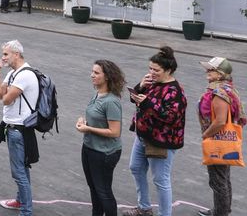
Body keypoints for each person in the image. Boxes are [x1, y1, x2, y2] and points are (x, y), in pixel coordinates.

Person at [124, 46, 187, 216]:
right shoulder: (152, 83)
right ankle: (144, 208)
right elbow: (136, 100)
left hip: (162, 142)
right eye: (150, 68)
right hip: (144, 135)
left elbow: (171, 118)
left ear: (168, 70)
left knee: (161, 179)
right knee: (136, 168)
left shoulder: (175, 91)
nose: (152, 72)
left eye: (156, 70)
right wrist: (140, 87)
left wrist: (147, 104)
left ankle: (164, 214)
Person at [197, 57, 246, 216]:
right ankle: (222, 210)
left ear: (219, 74)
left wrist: (205, 134)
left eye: (210, 70)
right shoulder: (226, 88)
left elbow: (219, 121)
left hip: (218, 141)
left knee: (218, 181)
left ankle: (220, 213)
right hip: (224, 140)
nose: (207, 71)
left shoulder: (219, 93)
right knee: (223, 178)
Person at [0, 39, 39, 213]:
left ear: (16, 54)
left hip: (19, 130)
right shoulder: (13, 73)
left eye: (6, 54)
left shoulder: (24, 75)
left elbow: (6, 99)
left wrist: (6, 92)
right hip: (14, 128)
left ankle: (26, 210)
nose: (3, 58)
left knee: (19, 172)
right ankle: (21, 201)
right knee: (23, 168)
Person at [76, 60, 125, 216]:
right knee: (94, 188)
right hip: (90, 148)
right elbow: (97, 118)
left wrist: (88, 128)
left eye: (96, 73)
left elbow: (115, 132)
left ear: (107, 77)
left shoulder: (111, 101)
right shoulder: (97, 94)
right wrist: (83, 122)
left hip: (104, 153)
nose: (92, 75)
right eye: (92, 71)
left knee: (103, 191)